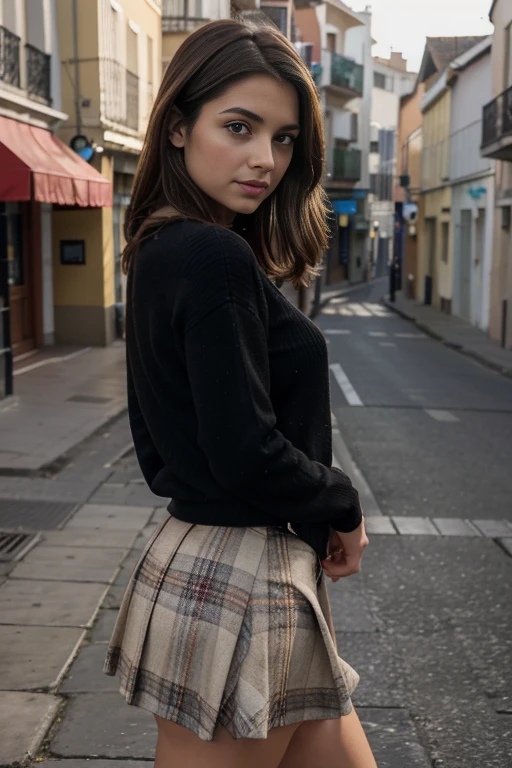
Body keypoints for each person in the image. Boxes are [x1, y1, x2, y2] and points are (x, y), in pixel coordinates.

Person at [103, 18, 377, 768]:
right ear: (179, 128)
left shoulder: (165, 247)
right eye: (239, 126)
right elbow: (244, 452)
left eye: (284, 138)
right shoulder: (211, 255)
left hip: (224, 564)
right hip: (241, 575)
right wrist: (341, 500)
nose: (265, 159)